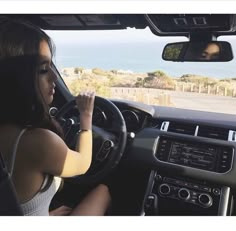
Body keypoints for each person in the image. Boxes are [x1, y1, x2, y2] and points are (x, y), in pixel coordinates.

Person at [0, 17, 111, 216]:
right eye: (43, 69)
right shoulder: (37, 142)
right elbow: (83, 164)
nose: (54, 76)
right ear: (15, 78)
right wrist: (86, 117)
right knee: (103, 192)